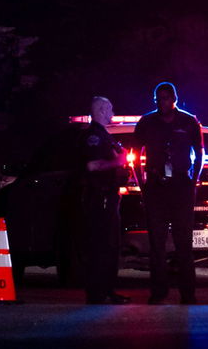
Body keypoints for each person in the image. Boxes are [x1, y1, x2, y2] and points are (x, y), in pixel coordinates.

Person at [133, 81, 204, 305]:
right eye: (158, 98)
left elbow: (200, 152)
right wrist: (142, 185)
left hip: (181, 186)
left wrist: (193, 181)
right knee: (157, 244)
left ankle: (188, 293)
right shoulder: (147, 122)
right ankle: (158, 292)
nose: (162, 102)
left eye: (166, 98)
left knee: (184, 243)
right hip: (156, 187)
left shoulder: (189, 121)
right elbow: (135, 154)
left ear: (174, 99)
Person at [80, 96, 131, 305]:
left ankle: (107, 290)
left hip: (108, 196)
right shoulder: (94, 136)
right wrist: (117, 161)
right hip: (99, 197)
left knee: (110, 245)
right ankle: (98, 292)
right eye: (110, 109)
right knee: (101, 245)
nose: (112, 112)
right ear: (101, 110)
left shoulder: (104, 135)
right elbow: (91, 166)